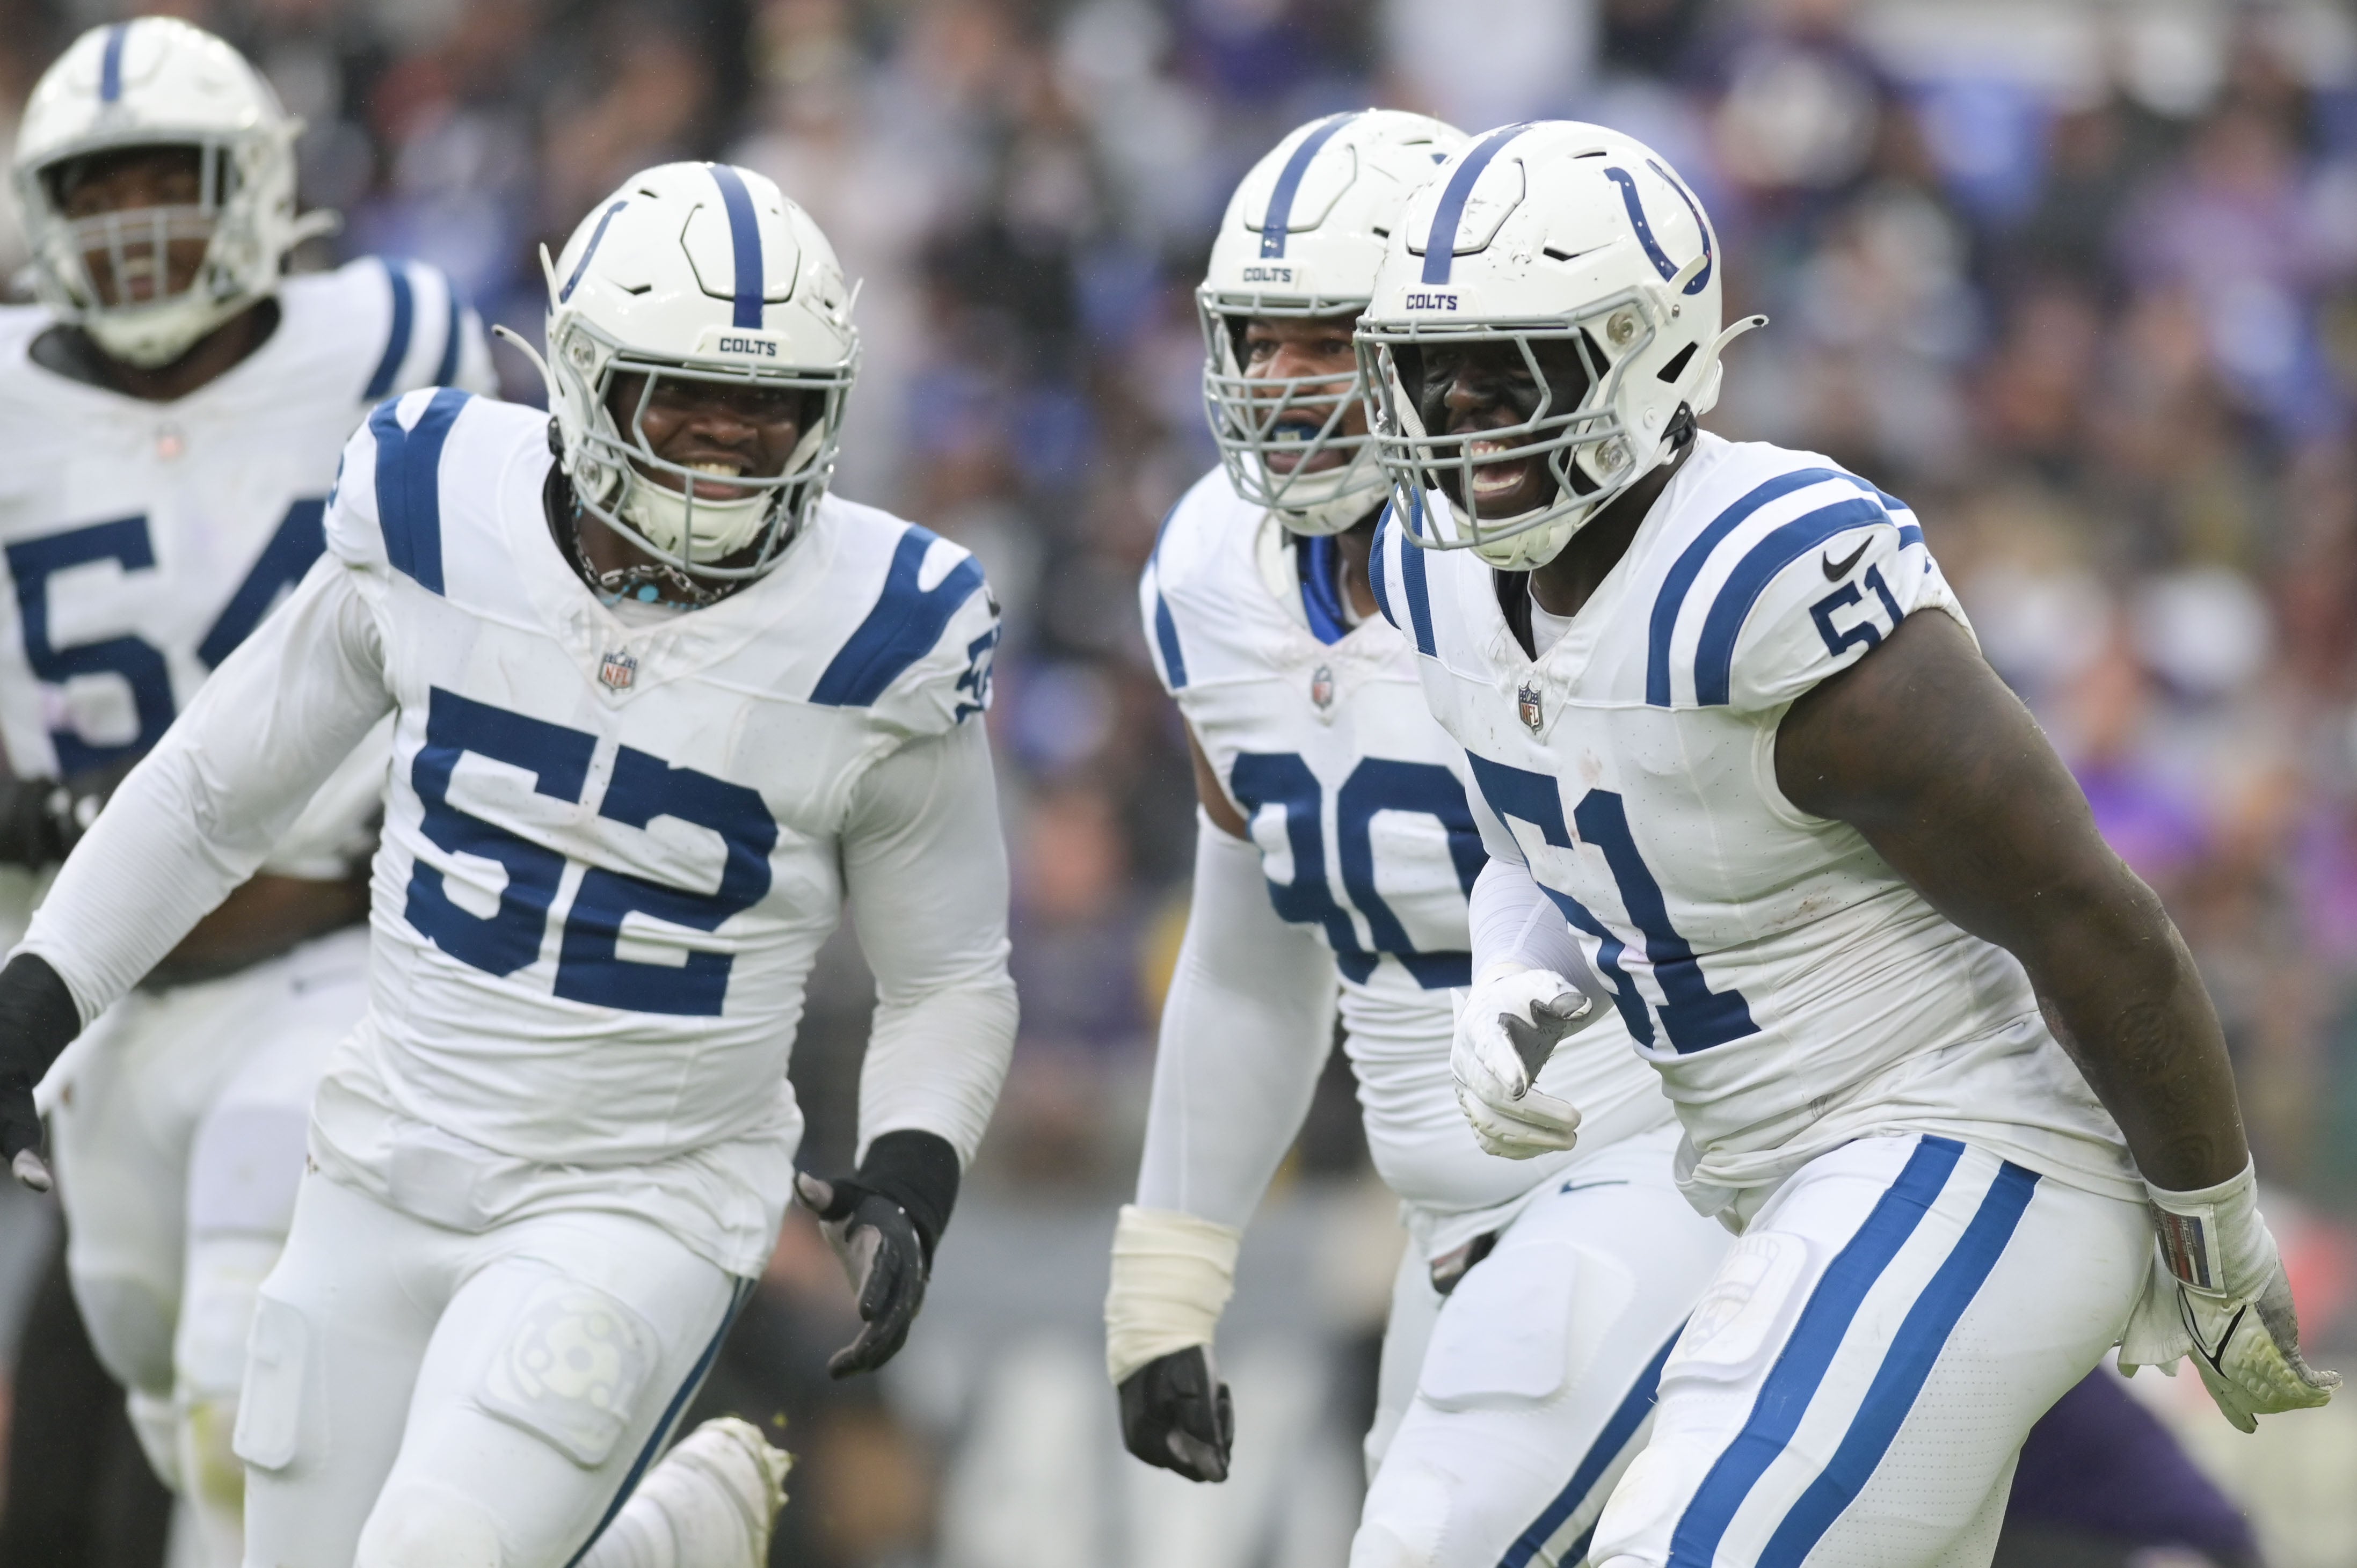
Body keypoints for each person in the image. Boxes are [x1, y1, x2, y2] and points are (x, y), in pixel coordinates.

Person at [0, 158, 1017, 1568]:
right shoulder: (437, 513)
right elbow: (214, 791)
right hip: (381, 1152)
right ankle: (659, 1547)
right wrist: (38, 998)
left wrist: (915, 1166)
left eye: (769, 410)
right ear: (587, 382)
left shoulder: (883, 635)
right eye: (689, 401)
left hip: (638, 1191)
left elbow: (950, 974)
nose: (728, 449)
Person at [1358, 120, 2335, 1566]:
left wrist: (2216, 1231)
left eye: (1515, 360)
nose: (1462, 404)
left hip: (1977, 1138)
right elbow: (1570, 830)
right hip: (1754, 1172)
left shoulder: (1761, 582)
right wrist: (1516, 977)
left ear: (1646, 350)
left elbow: (2090, 915)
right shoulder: (1432, 567)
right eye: (1438, 363)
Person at [1114, 110, 1732, 1566]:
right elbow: (1259, 949)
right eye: (1255, 339)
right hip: (1448, 1233)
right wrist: (1172, 1269)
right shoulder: (1210, 569)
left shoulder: (1579, 559)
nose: (1278, 381)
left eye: (1325, 339)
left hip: (1670, 1172)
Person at [0, 19, 493, 1562]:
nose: (139, 221)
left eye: (174, 176)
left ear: (263, 184)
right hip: (101, 992)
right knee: (158, 1365)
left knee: (241, 1367)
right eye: (99, 187)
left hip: (335, 945)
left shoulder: (400, 341)